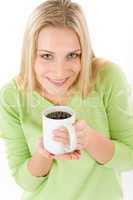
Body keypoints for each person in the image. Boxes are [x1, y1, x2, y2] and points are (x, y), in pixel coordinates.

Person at [0, 0, 133, 199]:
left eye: (72, 55)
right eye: (46, 56)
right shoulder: (11, 96)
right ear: (30, 54)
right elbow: (23, 180)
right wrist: (43, 154)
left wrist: (89, 140)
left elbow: (130, 158)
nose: (60, 72)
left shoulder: (107, 78)